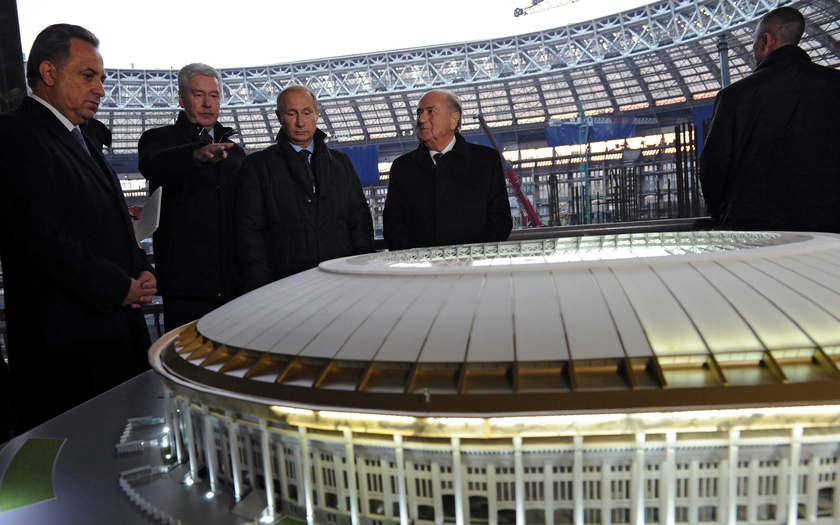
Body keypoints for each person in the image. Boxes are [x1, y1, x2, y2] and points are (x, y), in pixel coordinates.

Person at [0, 24, 155, 433]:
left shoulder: (81, 139)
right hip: (67, 352)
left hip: (113, 338)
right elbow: (41, 240)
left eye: (101, 78)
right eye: (88, 76)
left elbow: (113, 222)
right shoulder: (15, 135)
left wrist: (141, 268)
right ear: (48, 73)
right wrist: (119, 286)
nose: (101, 89)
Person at [699, 6, 840, 232]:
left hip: (755, 230)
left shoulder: (734, 97)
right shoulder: (834, 85)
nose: (753, 51)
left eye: (754, 44)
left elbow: (713, 168)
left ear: (766, 41)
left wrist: (725, 216)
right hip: (831, 230)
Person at [138, 63, 245, 330]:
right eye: (198, 95)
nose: (208, 103)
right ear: (181, 98)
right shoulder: (157, 139)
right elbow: (151, 164)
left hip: (235, 284)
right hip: (186, 288)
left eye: (214, 95)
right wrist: (195, 155)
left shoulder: (235, 152)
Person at [236, 85, 374, 291]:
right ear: (279, 116)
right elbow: (249, 234)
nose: (300, 122)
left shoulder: (341, 163)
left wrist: (362, 275)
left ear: (317, 114)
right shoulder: (257, 166)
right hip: (283, 286)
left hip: (341, 282)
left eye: (307, 113)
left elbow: (359, 223)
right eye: (292, 114)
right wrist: (262, 288)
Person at [383, 89, 512, 250]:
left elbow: (500, 220)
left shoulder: (486, 161)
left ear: (454, 119)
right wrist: (420, 258)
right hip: (419, 264)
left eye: (431, 111)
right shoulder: (402, 168)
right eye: (419, 113)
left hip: (473, 263)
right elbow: (393, 226)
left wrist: (470, 255)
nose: (421, 119)